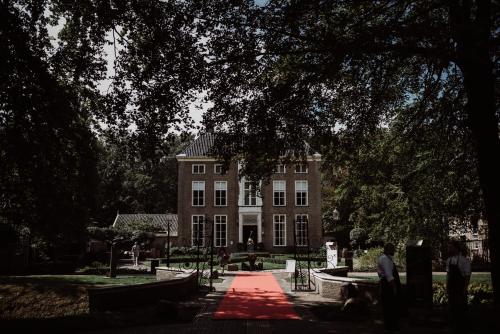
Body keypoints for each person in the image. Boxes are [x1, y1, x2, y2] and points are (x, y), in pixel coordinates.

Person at [446, 240, 471, 334]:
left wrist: (465, 289)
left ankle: (463, 328)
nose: (449, 249)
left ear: (456, 248)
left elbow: (467, 276)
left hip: (460, 289)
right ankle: (453, 327)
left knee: (461, 309)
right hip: (452, 288)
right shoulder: (449, 260)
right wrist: (447, 287)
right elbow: (448, 275)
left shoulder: (464, 260)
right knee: (452, 308)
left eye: (450, 247)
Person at [377, 243, 401, 332]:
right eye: (392, 249)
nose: (394, 250)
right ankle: (390, 327)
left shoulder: (388, 259)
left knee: (390, 307)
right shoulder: (385, 259)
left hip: (386, 284)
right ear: (388, 250)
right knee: (389, 307)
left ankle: (391, 326)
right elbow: (389, 275)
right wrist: (394, 288)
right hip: (387, 286)